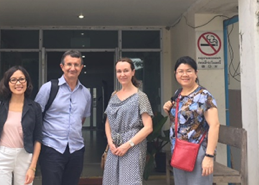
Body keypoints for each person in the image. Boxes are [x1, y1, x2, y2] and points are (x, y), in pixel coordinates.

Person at [34, 50, 92, 185]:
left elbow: (81, 119)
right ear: (62, 66)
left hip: (76, 150)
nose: (73, 68)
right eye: (69, 64)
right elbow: (36, 117)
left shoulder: (85, 93)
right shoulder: (48, 88)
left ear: (81, 68)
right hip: (52, 148)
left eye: (76, 65)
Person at [163, 56, 220, 185]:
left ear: (196, 73)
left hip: (197, 151)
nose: (185, 74)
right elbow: (182, 119)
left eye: (189, 71)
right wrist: (169, 108)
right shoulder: (178, 93)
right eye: (180, 71)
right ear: (175, 74)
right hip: (179, 151)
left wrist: (209, 156)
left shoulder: (204, 96)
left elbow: (215, 125)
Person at [0, 65, 43, 185]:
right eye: (13, 80)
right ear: (7, 83)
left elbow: (38, 138)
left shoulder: (34, 108)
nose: (18, 83)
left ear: (27, 82)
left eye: (22, 79)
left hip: (25, 155)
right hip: (2, 154)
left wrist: (33, 167)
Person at [102, 57, 153, 185]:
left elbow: (148, 127)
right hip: (114, 146)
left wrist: (128, 144)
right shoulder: (114, 95)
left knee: (130, 181)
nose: (122, 74)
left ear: (133, 72)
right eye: (119, 71)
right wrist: (110, 142)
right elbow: (108, 122)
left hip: (133, 146)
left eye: (126, 71)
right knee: (111, 180)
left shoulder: (140, 96)